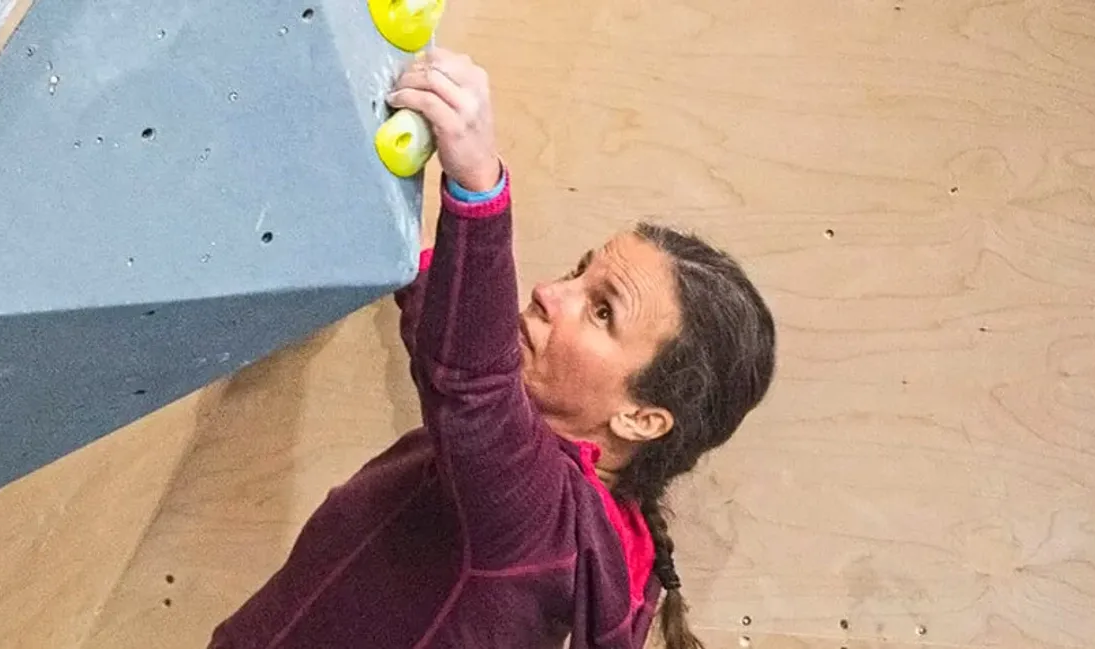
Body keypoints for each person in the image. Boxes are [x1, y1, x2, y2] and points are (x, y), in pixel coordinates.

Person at [208, 47, 777, 649]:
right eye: (578, 273)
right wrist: (394, 236)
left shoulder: (544, 531)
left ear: (642, 418)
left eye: (602, 310)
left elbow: (473, 385)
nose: (549, 293)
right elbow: (455, 348)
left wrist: (479, 187)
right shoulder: (605, 544)